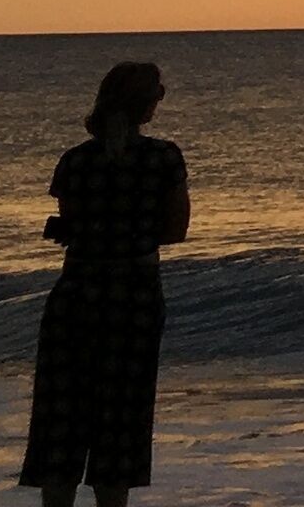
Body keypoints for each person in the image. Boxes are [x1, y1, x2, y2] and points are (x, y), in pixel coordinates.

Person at [19, 59, 190, 507]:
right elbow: (175, 231)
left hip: (77, 293)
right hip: (133, 295)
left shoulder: (74, 162)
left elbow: (71, 226)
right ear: (145, 103)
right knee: (120, 423)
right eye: (158, 90)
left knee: (62, 420)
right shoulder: (163, 157)